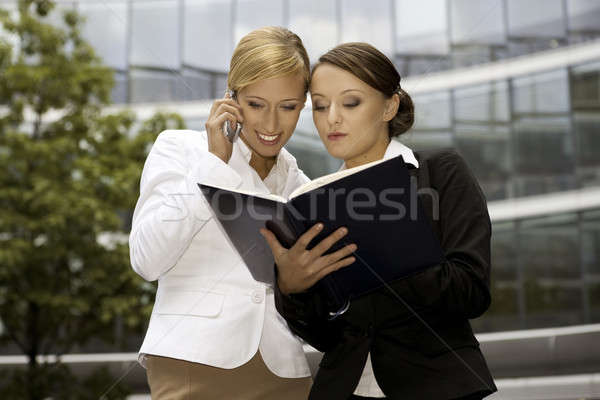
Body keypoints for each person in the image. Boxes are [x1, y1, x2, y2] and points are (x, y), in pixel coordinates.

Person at [260, 42, 498, 399]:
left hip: (437, 386)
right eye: (321, 106)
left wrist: (389, 245)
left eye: (350, 102)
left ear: (389, 105)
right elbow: (324, 336)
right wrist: (294, 290)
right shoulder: (314, 203)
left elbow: (471, 292)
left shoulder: (439, 173)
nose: (331, 118)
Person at [129, 26, 317, 399]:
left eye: (288, 107)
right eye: (256, 104)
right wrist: (215, 164)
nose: (271, 124)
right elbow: (146, 260)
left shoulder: (302, 185)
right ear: (231, 97)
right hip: (192, 362)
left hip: (286, 370)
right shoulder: (181, 150)